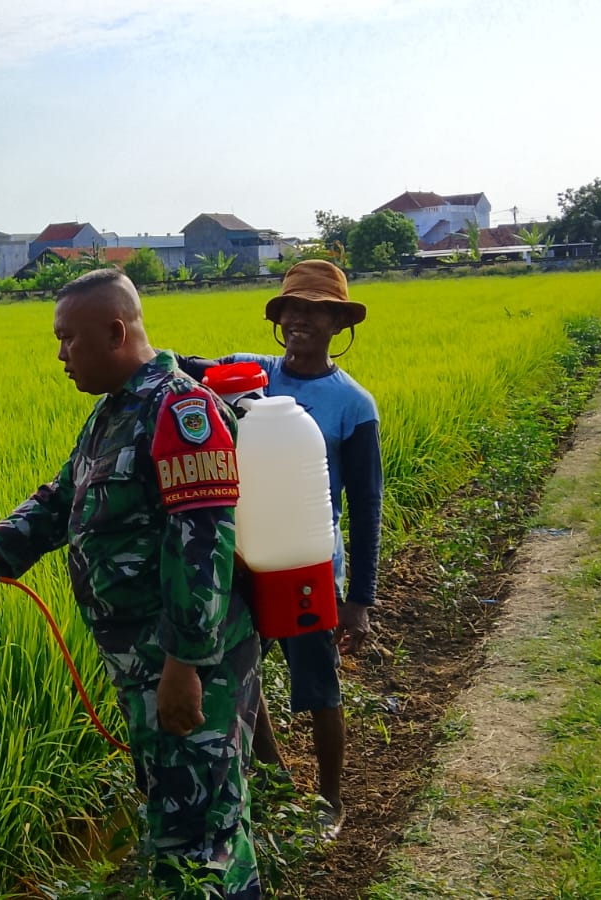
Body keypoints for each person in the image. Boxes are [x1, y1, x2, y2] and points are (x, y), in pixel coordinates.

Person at [0, 269, 262, 899]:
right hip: (142, 665)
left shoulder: (182, 411)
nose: (60, 355)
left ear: (116, 332)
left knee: (200, 837)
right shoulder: (113, 414)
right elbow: (61, 500)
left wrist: (184, 666)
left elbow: (202, 546)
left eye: (68, 339)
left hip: (189, 663)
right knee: (179, 816)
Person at [179, 259, 382, 842]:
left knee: (318, 685)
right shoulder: (254, 377)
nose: (301, 320)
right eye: (293, 307)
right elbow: (192, 366)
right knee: (245, 670)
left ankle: (331, 798)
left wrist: (360, 600)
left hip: (308, 561)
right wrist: (139, 351)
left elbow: (367, 505)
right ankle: (273, 782)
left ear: (339, 323)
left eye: (317, 310)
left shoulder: (352, 404)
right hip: (245, 557)